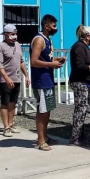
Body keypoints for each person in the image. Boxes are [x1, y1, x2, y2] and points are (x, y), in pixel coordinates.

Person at [30, 14, 66, 151]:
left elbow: (45, 58)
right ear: (46, 26)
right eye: (53, 25)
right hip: (41, 81)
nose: (55, 28)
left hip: (48, 80)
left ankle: (45, 137)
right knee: (42, 110)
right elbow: (34, 61)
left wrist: (56, 59)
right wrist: (51, 65)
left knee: (47, 110)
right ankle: (40, 140)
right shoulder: (39, 40)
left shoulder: (47, 39)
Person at [69, 25, 90, 145]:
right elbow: (79, 66)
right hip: (80, 82)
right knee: (81, 108)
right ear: (88, 36)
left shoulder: (84, 47)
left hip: (88, 82)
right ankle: (76, 137)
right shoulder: (79, 47)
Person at [0, 24, 30, 137]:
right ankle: (6, 127)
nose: (15, 36)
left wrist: (26, 75)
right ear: (6, 35)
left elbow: (21, 61)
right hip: (5, 80)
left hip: (16, 78)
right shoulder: (0, 47)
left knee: (13, 103)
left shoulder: (18, 45)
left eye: (15, 34)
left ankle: (11, 124)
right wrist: (6, 78)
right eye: (12, 34)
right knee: (5, 103)